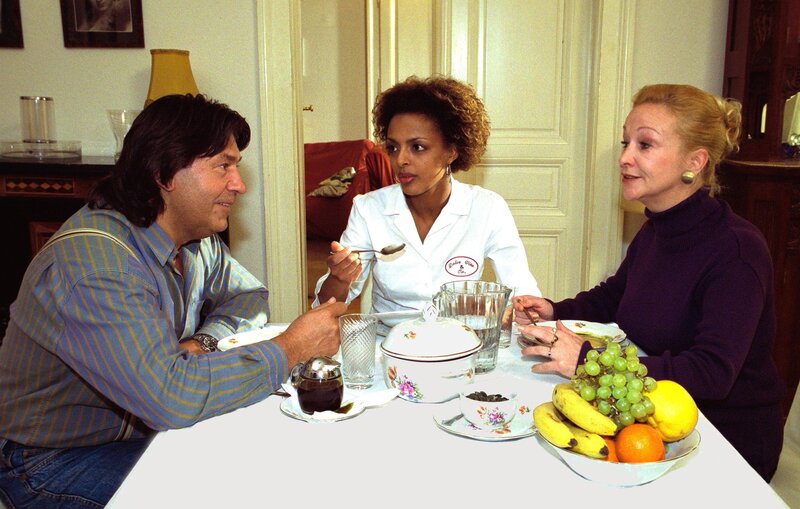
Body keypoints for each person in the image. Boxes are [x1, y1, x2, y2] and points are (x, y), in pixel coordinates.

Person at [0, 93, 345, 508]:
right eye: (223, 166)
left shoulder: (196, 241)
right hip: (51, 461)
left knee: (270, 460)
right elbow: (171, 398)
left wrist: (204, 341)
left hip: (143, 431)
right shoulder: (98, 266)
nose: (239, 184)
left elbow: (248, 296)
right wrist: (290, 349)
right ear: (165, 173)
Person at [514, 84, 784, 481]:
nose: (625, 157)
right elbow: (615, 296)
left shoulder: (737, 251)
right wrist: (553, 309)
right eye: (626, 143)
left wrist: (589, 362)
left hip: (722, 440)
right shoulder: (657, 230)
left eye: (645, 145)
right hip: (647, 415)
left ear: (695, 161)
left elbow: (712, 373)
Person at [313, 75, 541, 318]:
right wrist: (339, 277)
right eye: (393, 148)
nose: (400, 160)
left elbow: (522, 290)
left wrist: (517, 311)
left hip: (460, 337)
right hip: (388, 338)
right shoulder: (369, 209)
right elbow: (326, 307)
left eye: (417, 147)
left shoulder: (487, 208)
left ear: (452, 151)